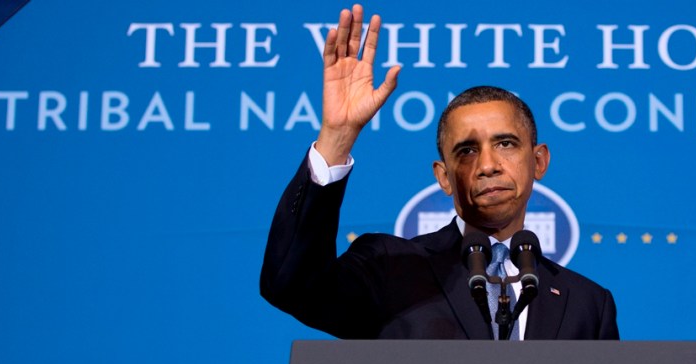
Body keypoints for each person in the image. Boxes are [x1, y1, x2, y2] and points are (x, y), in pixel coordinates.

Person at [260, 4, 618, 340]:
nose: (488, 164)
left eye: (506, 144)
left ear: (538, 161)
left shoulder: (587, 302)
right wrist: (336, 137)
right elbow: (293, 287)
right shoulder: (391, 269)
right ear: (443, 177)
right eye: (467, 151)